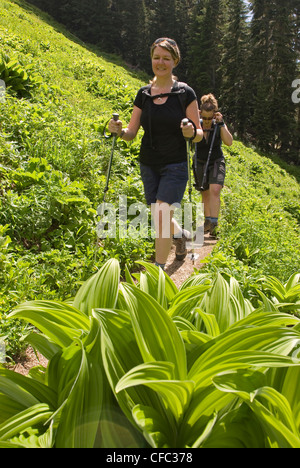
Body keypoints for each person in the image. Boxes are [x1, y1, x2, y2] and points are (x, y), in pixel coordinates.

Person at [108, 37, 203, 270]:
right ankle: (180, 235)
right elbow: (132, 132)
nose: (160, 62)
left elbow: (199, 133)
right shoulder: (144, 93)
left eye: (166, 58)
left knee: (160, 215)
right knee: (159, 213)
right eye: (156, 57)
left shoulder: (185, 93)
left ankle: (158, 271)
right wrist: (119, 131)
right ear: (152, 59)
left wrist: (191, 131)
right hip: (148, 163)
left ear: (175, 61)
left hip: (175, 164)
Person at [193, 94, 233, 237]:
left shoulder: (218, 124)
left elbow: (229, 142)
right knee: (204, 192)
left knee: (215, 190)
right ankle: (208, 221)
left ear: (215, 115)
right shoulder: (197, 124)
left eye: (210, 118)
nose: (208, 121)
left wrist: (221, 123)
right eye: (205, 118)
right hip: (200, 161)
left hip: (216, 161)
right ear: (201, 114)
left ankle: (215, 225)